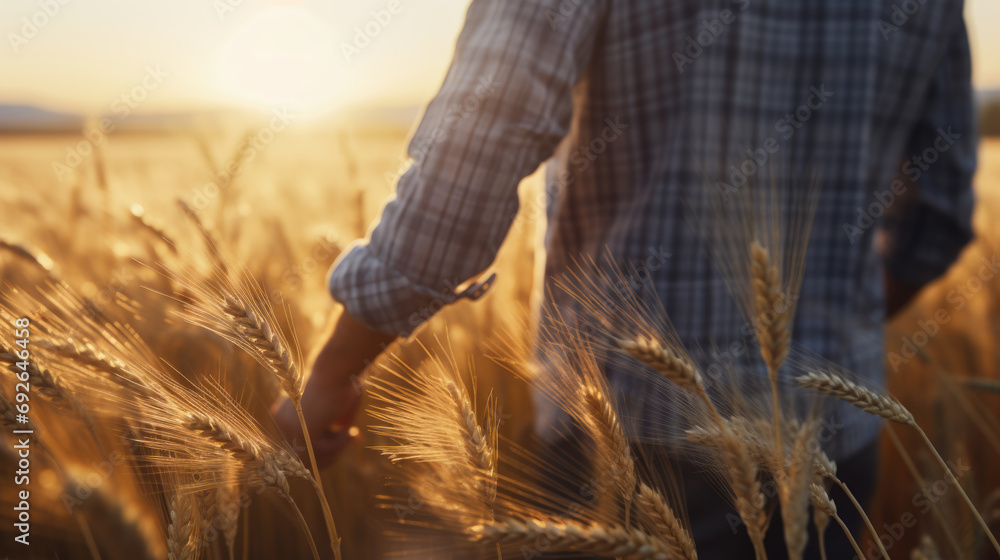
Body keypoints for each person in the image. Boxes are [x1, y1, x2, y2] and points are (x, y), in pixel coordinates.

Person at [274, 0, 976, 555]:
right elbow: (937, 217)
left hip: (631, 448)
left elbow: (483, 139)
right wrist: (823, 334)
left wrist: (337, 366)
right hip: (836, 452)